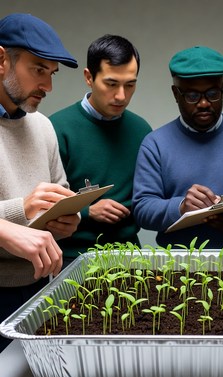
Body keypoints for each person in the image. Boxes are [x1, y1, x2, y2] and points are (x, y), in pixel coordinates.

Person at [132, 46, 223, 249]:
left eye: (212, 93)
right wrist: (181, 207)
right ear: (176, 94)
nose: (203, 103)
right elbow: (142, 209)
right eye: (192, 96)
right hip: (175, 266)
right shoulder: (155, 144)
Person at [0, 13, 81, 352]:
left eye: (51, 74)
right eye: (38, 70)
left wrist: (65, 220)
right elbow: (24, 213)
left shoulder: (43, 127)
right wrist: (22, 210)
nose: (48, 87)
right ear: (1, 60)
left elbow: (57, 193)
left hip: (36, 290)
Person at [50, 34, 152, 265]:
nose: (121, 96)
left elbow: (148, 196)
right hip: (72, 259)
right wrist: (87, 211)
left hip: (130, 258)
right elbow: (40, 207)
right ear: (89, 77)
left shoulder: (141, 130)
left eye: (130, 84)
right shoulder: (56, 128)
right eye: (111, 84)